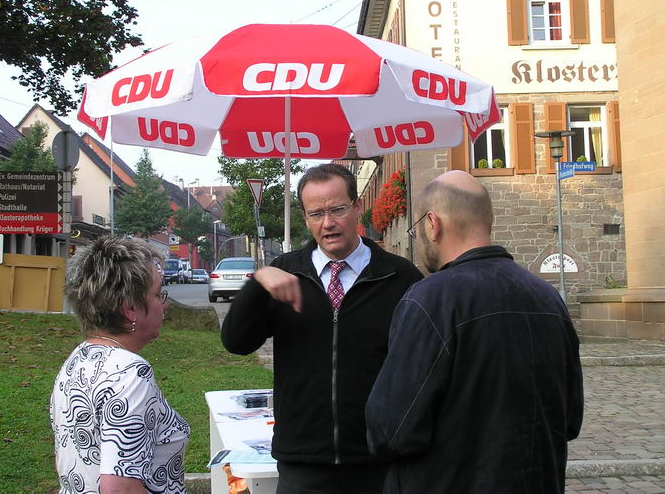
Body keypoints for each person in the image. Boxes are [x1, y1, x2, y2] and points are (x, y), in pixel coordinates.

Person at [365, 170, 584, 493]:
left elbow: (391, 430)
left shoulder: (429, 299)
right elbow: (569, 418)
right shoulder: (547, 296)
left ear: (432, 223)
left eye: (416, 230)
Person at [221, 163, 423, 494]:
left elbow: (420, 367)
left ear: (357, 208)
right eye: (316, 214)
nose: (327, 223)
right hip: (302, 465)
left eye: (337, 210)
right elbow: (236, 342)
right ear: (305, 218)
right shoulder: (284, 274)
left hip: (378, 466)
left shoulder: (399, 277)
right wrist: (257, 285)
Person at [51, 236, 191, 494]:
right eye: (159, 294)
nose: (165, 304)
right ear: (130, 309)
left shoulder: (77, 360)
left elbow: (70, 460)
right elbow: (121, 489)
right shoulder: (130, 375)